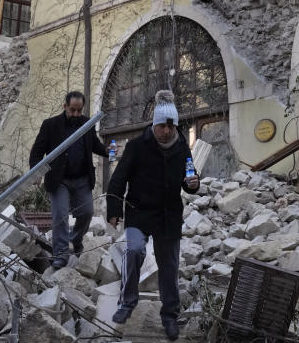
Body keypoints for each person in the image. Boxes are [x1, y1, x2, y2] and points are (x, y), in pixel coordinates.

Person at [107, 89, 200, 341]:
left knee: (169, 266)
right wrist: (114, 211)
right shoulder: (137, 146)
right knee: (134, 251)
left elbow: (190, 177)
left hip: (168, 215)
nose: (166, 131)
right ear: (154, 124)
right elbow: (117, 180)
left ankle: (169, 315)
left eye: (171, 127)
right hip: (139, 212)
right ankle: (127, 302)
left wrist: (193, 183)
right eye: (162, 126)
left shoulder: (183, 148)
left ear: (175, 126)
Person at [29, 91, 108, 269]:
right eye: (72, 110)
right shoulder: (50, 125)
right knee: (61, 217)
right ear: (64, 106)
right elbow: (37, 151)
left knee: (87, 213)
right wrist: (36, 172)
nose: (76, 114)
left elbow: (95, 145)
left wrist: (110, 152)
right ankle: (61, 254)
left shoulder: (87, 124)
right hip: (59, 180)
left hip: (82, 179)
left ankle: (76, 239)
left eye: (79, 110)